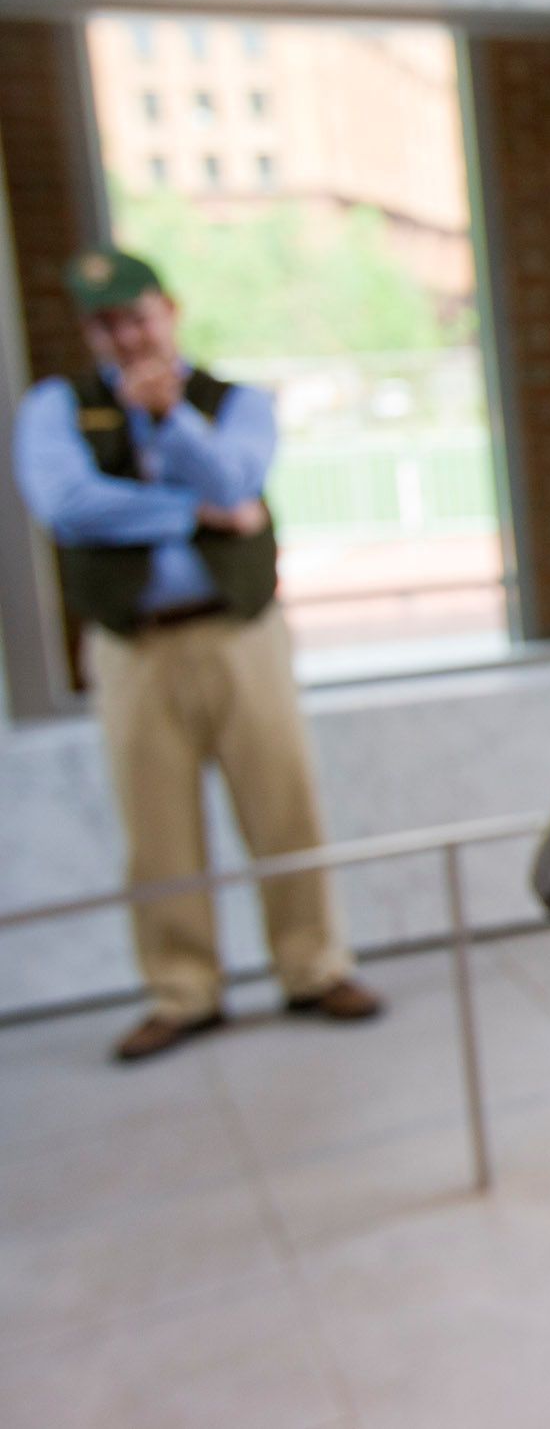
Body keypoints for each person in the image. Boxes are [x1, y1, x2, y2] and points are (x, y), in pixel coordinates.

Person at [13, 248, 381, 1062]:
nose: (127, 334)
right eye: (107, 323)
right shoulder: (56, 408)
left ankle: (313, 964)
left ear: (168, 310)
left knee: (284, 805)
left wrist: (174, 421)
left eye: (137, 316)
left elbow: (240, 475)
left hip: (239, 633)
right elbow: (70, 507)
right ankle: (182, 989)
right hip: (134, 646)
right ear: (89, 332)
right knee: (157, 829)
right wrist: (199, 514)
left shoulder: (231, 401)